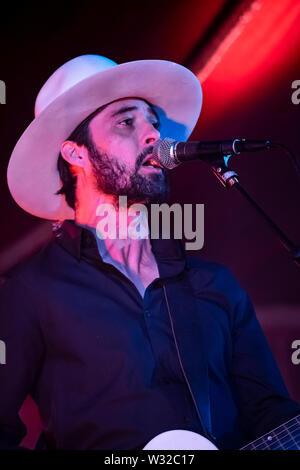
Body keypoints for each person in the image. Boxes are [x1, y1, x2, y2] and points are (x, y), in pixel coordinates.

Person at [1, 55, 299, 451]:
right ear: (75, 154)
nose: (153, 137)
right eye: (127, 122)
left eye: (154, 122)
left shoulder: (214, 284)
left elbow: (270, 417)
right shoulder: (31, 292)